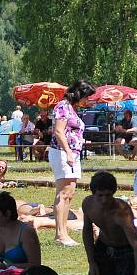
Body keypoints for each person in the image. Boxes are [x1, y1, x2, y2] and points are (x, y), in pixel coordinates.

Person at [82, 171, 137, 275]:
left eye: (108, 195)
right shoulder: (88, 204)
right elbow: (87, 231)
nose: (104, 200)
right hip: (103, 247)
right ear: (93, 193)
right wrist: (92, 261)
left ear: (113, 193)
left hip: (125, 251)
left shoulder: (122, 211)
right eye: (100, 195)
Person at [49, 79, 96, 246]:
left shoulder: (72, 109)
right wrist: (68, 151)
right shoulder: (62, 107)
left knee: (69, 193)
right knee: (63, 193)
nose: (88, 100)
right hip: (63, 153)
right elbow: (59, 131)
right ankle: (60, 234)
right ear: (79, 94)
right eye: (87, 97)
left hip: (73, 154)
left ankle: (64, 233)